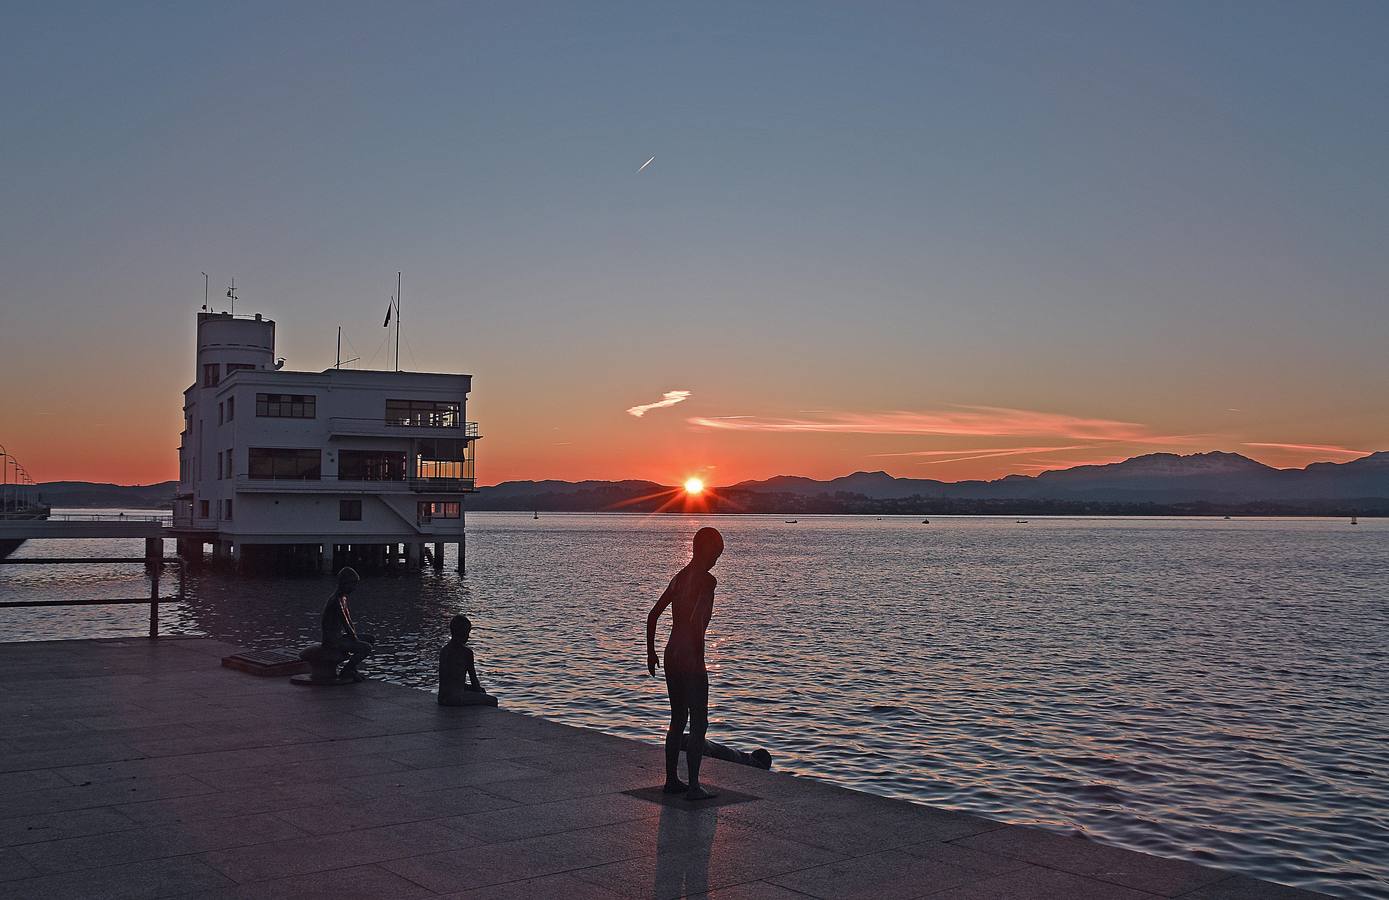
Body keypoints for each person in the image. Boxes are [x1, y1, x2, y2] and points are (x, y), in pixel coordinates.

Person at [646, 526, 724, 800]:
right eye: (716, 555)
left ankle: (671, 780)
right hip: (690, 657)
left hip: (670, 654)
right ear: (706, 551)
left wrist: (651, 653)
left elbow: (653, 615)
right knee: (699, 721)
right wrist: (699, 661)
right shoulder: (707, 582)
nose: (716, 561)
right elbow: (697, 621)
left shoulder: (678, 578)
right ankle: (693, 786)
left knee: (677, 718)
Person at [322, 567, 373, 682]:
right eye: (352, 584)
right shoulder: (336, 600)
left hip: (338, 637)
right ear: (344, 583)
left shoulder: (343, 598)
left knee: (370, 639)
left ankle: (352, 668)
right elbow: (345, 623)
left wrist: (355, 637)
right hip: (332, 640)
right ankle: (347, 670)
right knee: (366, 648)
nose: (354, 588)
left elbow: (349, 621)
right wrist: (355, 640)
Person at [438, 614, 497, 706]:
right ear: (463, 633)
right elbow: (473, 679)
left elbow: (447, 681)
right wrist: (480, 695)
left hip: (442, 696)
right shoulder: (466, 653)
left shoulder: (444, 650)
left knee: (481, 691)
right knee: (493, 700)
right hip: (455, 697)